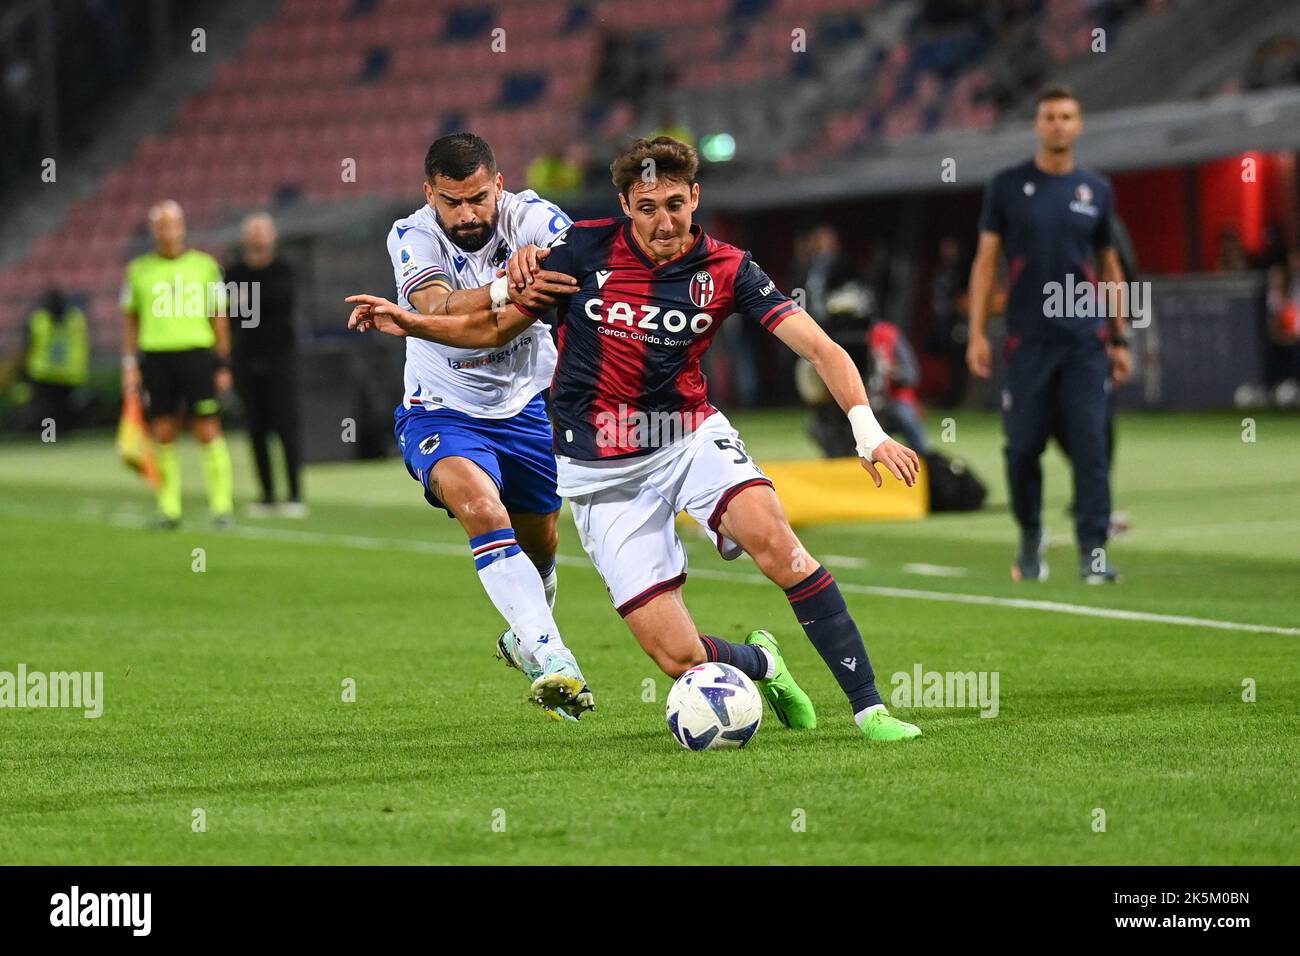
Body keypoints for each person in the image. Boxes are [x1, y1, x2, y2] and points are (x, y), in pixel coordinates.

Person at [348, 136, 924, 744]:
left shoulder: (729, 268)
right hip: (601, 475)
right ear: (625, 204)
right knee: (680, 660)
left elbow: (821, 347)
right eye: (648, 207)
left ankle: (870, 709)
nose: (665, 220)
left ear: (695, 197)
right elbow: (495, 328)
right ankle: (761, 664)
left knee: (779, 546)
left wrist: (868, 432)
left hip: (688, 438)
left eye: (676, 204)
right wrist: (414, 322)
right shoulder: (582, 251)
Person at [371, 132, 594, 721]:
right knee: (480, 508)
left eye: (477, 199)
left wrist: (549, 261)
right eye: (452, 202)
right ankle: (555, 660)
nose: (468, 215)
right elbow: (437, 307)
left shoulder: (534, 216)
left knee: (543, 542)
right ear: (430, 196)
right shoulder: (409, 234)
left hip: (528, 405)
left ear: (498, 184)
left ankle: (525, 636)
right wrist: (506, 284)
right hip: (441, 407)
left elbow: (584, 262)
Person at [966, 85, 1130, 583]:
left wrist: (1120, 338)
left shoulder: (1096, 191)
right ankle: (1032, 538)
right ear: (1038, 125)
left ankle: (1093, 554)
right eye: (1050, 116)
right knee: (1021, 447)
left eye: (1067, 116)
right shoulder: (1008, 186)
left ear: (1078, 126)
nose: (1058, 124)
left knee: (1091, 448)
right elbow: (986, 261)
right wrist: (976, 332)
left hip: (1084, 342)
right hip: (1026, 341)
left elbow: (1110, 266)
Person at [120, 200, 235, 529]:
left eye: (174, 224)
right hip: (156, 358)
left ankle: (221, 508)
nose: (169, 232)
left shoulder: (205, 266)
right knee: (163, 432)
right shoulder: (138, 270)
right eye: (162, 226)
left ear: (183, 228)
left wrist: (223, 362)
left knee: (208, 428)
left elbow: (219, 316)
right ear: (154, 231)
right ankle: (169, 510)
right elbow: (130, 320)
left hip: (197, 355)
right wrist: (130, 364)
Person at [225, 212, 305, 517]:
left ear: (272, 237)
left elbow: (278, 302)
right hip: (245, 359)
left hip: (280, 358)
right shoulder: (233, 273)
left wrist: (248, 304)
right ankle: (267, 495)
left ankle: (295, 494)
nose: (258, 239)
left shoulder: (284, 270)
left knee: (287, 427)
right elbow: (228, 313)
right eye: (254, 233)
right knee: (255, 428)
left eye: (263, 233)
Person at [16, 288, 89, 432]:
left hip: (45, 373)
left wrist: (23, 374)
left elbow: (27, 347)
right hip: (67, 373)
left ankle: (49, 437)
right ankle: (59, 436)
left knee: (48, 411)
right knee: (60, 410)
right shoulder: (76, 319)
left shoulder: (38, 320)